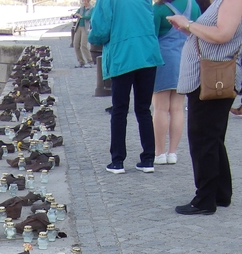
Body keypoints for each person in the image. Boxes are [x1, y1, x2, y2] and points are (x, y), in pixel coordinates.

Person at [167, 0, 242, 214]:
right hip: (209, 76)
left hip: (213, 77)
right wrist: (187, 29)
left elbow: (222, 34)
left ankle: (205, 200)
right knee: (212, 137)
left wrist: (189, 24)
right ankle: (220, 193)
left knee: (203, 138)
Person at [89, 0, 164, 174]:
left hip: (123, 55)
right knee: (144, 109)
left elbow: (100, 30)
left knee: (119, 110)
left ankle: (117, 161)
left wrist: (93, 38)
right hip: (147, 54)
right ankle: (148, 159)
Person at [152, 0, 201, 164]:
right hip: (185, 60)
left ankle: (159, 153)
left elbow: (152, 36)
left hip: (163, 59)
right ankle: (173, 152)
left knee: (160, 108)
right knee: (178, 109)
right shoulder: (193, 5)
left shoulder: (159, 9)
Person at [73, 0, 93, 68]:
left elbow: (90, 16)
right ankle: (81, 62)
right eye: (83, 1)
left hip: (85, 28)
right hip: (79, 27)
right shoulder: (81, 8)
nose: (84, 2)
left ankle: (90, 61)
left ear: (88, 1)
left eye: (85, 1)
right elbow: (77, 13)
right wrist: (75, 15)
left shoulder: (91, 8)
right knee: (76, 45)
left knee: (83, 45)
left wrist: (82, 16)